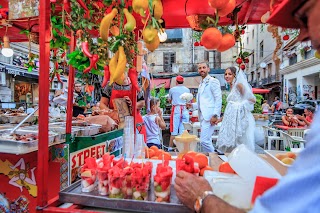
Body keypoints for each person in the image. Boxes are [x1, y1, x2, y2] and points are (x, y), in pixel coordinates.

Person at [175, 0, 320, 212]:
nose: (302, 35)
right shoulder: (221, 83)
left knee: (223, 144)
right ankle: (223, 165)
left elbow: (246, 100)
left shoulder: (232, 85)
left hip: (232, 116)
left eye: (305, 16)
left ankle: (221, 163)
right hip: (226, 115)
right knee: (223, 146)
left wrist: (202, 197)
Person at [216, 67, 256, 152]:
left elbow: (252, 99)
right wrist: (221, 119)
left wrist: (239, 106)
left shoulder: (239, 85)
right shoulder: (232, 86)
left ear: (235, 75)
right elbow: (230, 106)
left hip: (239, 118)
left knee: (239, 141)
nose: (227, 76)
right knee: (230, 142)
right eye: (225, 74)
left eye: (229, 74)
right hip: (231, 118)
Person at [187, 62, 222, 152]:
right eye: (200, 68)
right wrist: (192, 106)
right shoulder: (201, 84)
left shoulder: (213, 81)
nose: (202, 70)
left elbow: (218, 99)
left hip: (210, 116)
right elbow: (202, 101)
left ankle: (216, 157)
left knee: (204, 141)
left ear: (208, 69)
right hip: (202, 116)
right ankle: (212, 160)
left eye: (204, 67)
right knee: (207, 140)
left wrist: (215, 115)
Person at [100, 74, 147, 141]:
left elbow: (142, 102)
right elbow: (102, 104)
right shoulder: (110, 85)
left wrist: (132, 105)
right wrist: (111, 112)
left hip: (134, 120)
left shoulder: (135, 84)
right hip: (115, 121)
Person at [168, 75, 190, 148]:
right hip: (184, 109)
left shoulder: (172, 89)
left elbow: (169, 100)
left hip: (176, 109)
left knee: (174, 131)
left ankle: (170, 148)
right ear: (183, 81)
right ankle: (181, 148)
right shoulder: (187, 90)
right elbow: (189, 101)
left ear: (176, 81)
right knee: (182, 132)